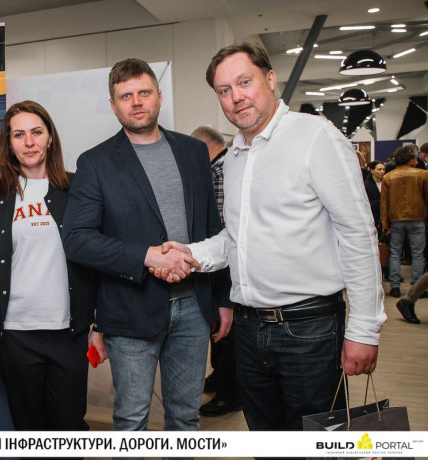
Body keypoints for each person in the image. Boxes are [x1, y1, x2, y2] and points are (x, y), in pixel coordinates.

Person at [152, 40, 386, 432]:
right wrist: (189, 254)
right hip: (248, 331)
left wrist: (364, 329)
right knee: (266, 442)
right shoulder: (235, 156)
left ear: (271, 79)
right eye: (224, 90)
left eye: (244, 82)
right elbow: (236, 238)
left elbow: (358, 234)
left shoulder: (315, 137)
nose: (235, 97)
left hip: (309, 329)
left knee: (315, 446)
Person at [62, 58, 230, 432]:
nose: (136, 102)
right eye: (126, 96)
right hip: (130, 310)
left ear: (159, 96)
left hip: (194, 307)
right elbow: (76, 239)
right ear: (113, 105)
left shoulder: (192, 151)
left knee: (185, 417)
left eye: (143, 92)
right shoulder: (95, 162)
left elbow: (213, 227)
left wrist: (223, 299)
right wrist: (147, 256)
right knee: (131, 419)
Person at [0, 100, 101, 431]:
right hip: (15, 335)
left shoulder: (77, 190)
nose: (29, 142)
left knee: (69, 426)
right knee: (29, 428)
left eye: (36, 132)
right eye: (19, 135)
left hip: (68, 332)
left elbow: (97, 262)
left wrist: (98, 326)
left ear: (50, 138)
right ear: (9, 143)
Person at [190, 125, 241, 417]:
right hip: (217, 262)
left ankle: (230, 392)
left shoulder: (220, 170)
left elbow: (220, 226)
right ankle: (221, 378)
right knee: (221, 330)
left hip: (225, 263)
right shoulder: (220, 167)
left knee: (228, 331)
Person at [380, 144, 428, 298]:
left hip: (396, 219)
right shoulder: (422, 175)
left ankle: (394, 287)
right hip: (418, 218)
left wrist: (385, 224)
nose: (417, 161)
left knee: (394, 253)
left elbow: (384, 203)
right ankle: (417, 287)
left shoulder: (388, 177)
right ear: (410, 159)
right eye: (415, 158)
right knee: (418, 254)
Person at [364, 160, 384, 229]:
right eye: (379, 169)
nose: (382, 172)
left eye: (383, 169)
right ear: (372, 170)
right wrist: (382, 201)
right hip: (373, 217)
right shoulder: (366, 185)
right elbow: (367, 203)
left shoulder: (386, 183)